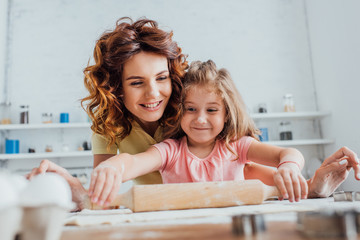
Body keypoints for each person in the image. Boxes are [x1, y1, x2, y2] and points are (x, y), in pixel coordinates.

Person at [27, 17, 360, 210]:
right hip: (154, 215)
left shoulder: (190, 111)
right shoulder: (111, 126)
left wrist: (309, 186)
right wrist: (70, 183)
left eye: (160, 79)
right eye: (136, 82)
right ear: (116, 87)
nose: (154, 93)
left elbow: (243, 168)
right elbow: (103, 193)